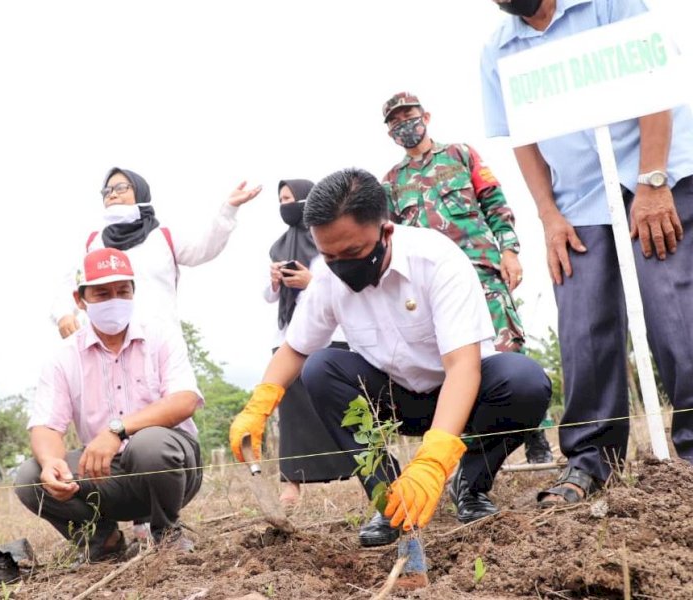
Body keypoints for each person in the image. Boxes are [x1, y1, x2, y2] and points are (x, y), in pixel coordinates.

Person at [229, 168, 551, 548]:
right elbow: (297, 347)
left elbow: (463, 368)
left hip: (461, 394)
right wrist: (260, 403)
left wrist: (433, 461)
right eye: (328, 254)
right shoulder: (328, 276)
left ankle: (470, 485)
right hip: (392, 397)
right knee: (321, 368)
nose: (340, 265)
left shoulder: (436, 260)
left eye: (352, 252)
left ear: (386, 231)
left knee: (525, 381)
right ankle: (388, 500)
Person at [482, 0, 693, 504]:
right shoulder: (497, 48)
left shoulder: (610, 5)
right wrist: (548, 216)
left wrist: (652, 180)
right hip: (576, 199)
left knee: (675, 311)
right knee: (582, 325)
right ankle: (590, 461)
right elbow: (522, 137)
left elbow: (654, 87)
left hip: (655, 172)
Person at [380, 91, 553, 464]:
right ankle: (472, 447)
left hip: (481, 270)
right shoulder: (392, 182)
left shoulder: (461, 154)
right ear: (390, 132)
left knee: (508, 350)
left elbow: (494, 202)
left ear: (425, 115)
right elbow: (392, 237)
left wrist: (509, 251)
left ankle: (535, 435)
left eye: (408, 115)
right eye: (395, 121)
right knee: (455, 360)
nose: (404, 124)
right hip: (432, 287)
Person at [15, 247, 203, 562]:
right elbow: (46, 425)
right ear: (80, 300)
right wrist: (50, 463)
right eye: (102, 294)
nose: (115, 300)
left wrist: (117, 430)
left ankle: (167, 533)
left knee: (149, 444)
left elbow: (185, 400)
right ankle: (102, 539)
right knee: (30, 476)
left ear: (134, 292)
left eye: (122, 291)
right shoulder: (64, 357)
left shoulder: (161, 336)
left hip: (171, 468)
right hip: (105, 474)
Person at [52, 167, 261, 337]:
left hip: (161, 343)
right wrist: (63, 314)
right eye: (107, 191)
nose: (112, 194)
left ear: (140, 191)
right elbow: (70, 283)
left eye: (121, 187)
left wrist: (228, 210)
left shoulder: (163, 236)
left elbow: (203, 250)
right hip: (109, 348)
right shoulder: (93, 243)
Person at [266, 179, 355, 505]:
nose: (284, 204)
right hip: (290, 335)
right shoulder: (278, 246)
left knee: (343, 406)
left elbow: (349, 283)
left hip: (335, 334)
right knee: (292, 412)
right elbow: (266, 296)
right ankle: (291, 483)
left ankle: (366, 470)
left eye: (289, 198)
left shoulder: (332, 238)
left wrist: (311, 281)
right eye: (281, 199)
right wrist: (275, 281)